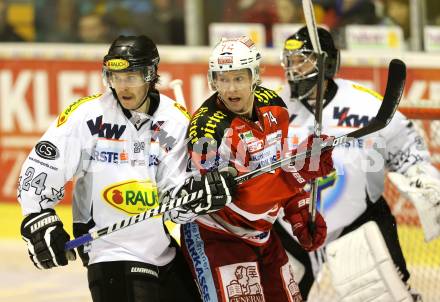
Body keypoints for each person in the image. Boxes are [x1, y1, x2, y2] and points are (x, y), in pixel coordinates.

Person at [17, 35, 202, 302]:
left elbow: (178, 201)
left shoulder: (174, 120)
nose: (122, 86)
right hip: (107, 250)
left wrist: (196, 196)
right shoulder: (87, 115)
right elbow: (42, 165)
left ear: (151, 74)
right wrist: (37, 218)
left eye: (131, 77)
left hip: (161, 250)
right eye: (115, 77)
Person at [276, 26, 440, 301]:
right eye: (290, 61)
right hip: (291, 227)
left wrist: (421, 177)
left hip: (356, 222)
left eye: (302, 60)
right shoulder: (273, 106)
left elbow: (406, 147)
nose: (294, 69)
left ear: (326, 63)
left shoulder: (365, 105)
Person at [167, 36, 335, 302]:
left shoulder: (275, 107)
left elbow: (274, 170)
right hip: (218, 236)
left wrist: (299, 209)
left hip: (263, 235)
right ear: (213, 80)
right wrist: (299, 171)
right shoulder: (206, 132)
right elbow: (240, 199)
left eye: (239, 78)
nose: (231, 88)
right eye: (222, 79)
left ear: (256, 75)